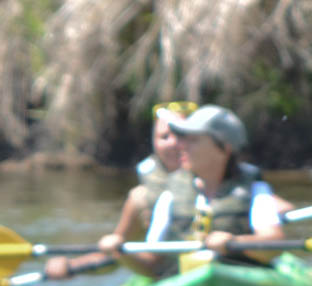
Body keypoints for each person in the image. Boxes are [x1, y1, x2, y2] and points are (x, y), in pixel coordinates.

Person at [107, 105, 294, 277]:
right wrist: (121, 252)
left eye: (193, 140)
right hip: (184, 282)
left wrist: (234, 242)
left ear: (224, 148)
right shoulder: (169, 194)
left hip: (240, 278)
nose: (182, 146)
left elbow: (273, 243)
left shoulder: (256, 191)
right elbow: (153, 263)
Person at [43, 102, 197, 282]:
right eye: (165, 137)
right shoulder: (141, 198)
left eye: (182, 135)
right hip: (170, 277)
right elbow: (112, 253)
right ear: (154, 143)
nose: (174, 144)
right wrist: (71, 267)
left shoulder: (221, 183)